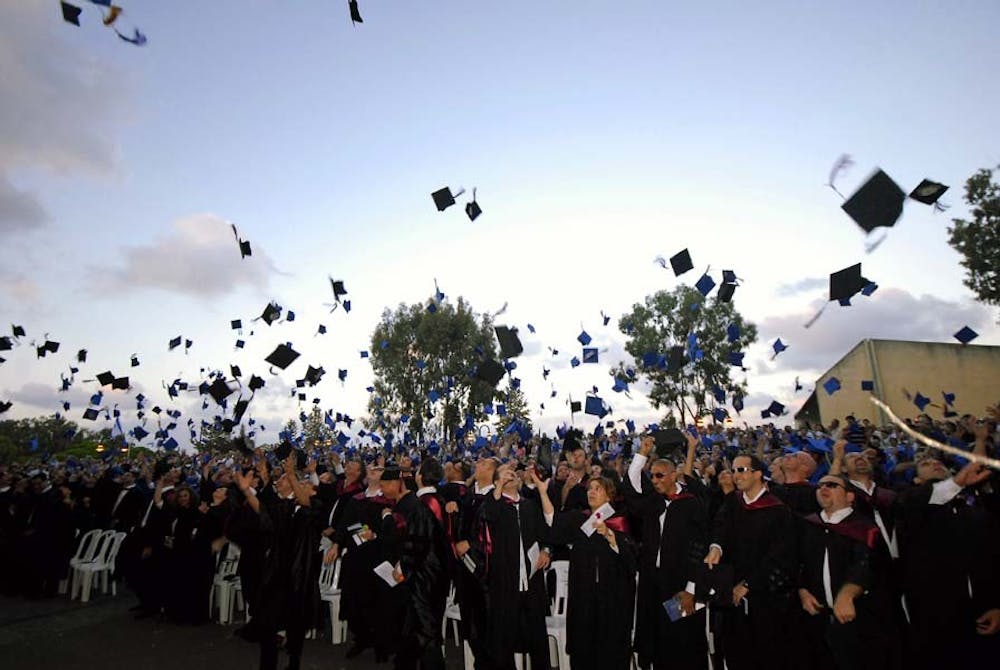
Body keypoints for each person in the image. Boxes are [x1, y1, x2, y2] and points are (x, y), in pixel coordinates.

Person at [896, 457, 1000, 669]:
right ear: (916, 480)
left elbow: (991, 559)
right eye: (925, 464)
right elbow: (920, 501)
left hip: (982, 615)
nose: (935, 464)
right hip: (937, 620)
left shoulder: (974, 510)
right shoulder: (910, 502)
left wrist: (996, 604)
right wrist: (956, 483)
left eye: (938, 462)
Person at [797, 474, 900, 670]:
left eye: (832, 485)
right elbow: (799, 563)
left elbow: (868, 565)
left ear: (850, 496)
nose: (823, 488)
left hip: (860, 620)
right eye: (819, 486)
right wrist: (802, 590)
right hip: (818, 619)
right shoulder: (808, 525)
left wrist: (848, 594)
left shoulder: (865, 529)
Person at [624, 434, 709, 670]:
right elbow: (631, 487)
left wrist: (692, 589)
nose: (654, 480)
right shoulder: (654, 501)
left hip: (680, 584)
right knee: (656, 636)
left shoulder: (692, 503)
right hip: (654, 581)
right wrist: (642, 452)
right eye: (652, 476)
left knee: (681, 640)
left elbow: (699, 549)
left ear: (674, 475)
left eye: (660, 475)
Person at [703, 454, 796, 670]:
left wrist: (748, 585)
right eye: (734, 470)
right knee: (736, 652)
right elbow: (720, 528)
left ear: (758, 473)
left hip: (765, 599)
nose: (736, 475)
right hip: (732, 594)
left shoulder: (778, 510)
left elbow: (780, 556)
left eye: (741, 470)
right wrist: (716, 547)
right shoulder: (733, 503)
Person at [537, 472, 637, 670]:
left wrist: (609, 535)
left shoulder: (619, 522)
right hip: (584, 597)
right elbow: (553, 521)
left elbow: (632, 559)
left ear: (609, 496)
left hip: (612, 601)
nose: (591, 492)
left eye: (597, 489)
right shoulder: (579, 519)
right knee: (584, 650)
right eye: (589, 488)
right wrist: (543, 493)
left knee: (611, 653)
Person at [235, 452, 323, 670]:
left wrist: (292, 474)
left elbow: (305, 504)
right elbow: (262, 510)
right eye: (282, 478)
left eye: (284, 479)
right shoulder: (282, 507)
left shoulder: (313, 506)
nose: (280, 480)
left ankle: (293, 663)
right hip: (277, 575)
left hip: (298, 575)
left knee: (295, 627)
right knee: (268, 624)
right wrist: (246, 490)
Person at [378, 464, 450, 670]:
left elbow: (418, 541)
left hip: (424, 577)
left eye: (384, 484)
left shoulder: (421, 505)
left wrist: (402, 566)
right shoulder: (417, 504)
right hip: (424, 575)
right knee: (412, 632)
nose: (382, 489)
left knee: (425, 632)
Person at [481, 463, 552, 670]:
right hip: (505, 583)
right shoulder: (493, 504)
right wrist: (499, 486)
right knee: (504, 641)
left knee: (537, 638)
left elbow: (545, 535)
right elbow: (489, 515)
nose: (510, 474)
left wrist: (546, 551)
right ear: (496, 481)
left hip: (532, 582)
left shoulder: (530, 506)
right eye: (503, 473)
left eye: (511, 473)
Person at [324, 461, 396, 661]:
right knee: (355, 600)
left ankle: (382, 645)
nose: (374, 471)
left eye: (379, 470)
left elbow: (394, 528)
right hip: (356, 556)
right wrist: (337, 544)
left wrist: (376, 533)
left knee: (378, 603)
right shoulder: (357, 498)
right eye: (372, 469)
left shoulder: (389, 501)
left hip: (378, 557)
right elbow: (344, 525)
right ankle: (362, 638)